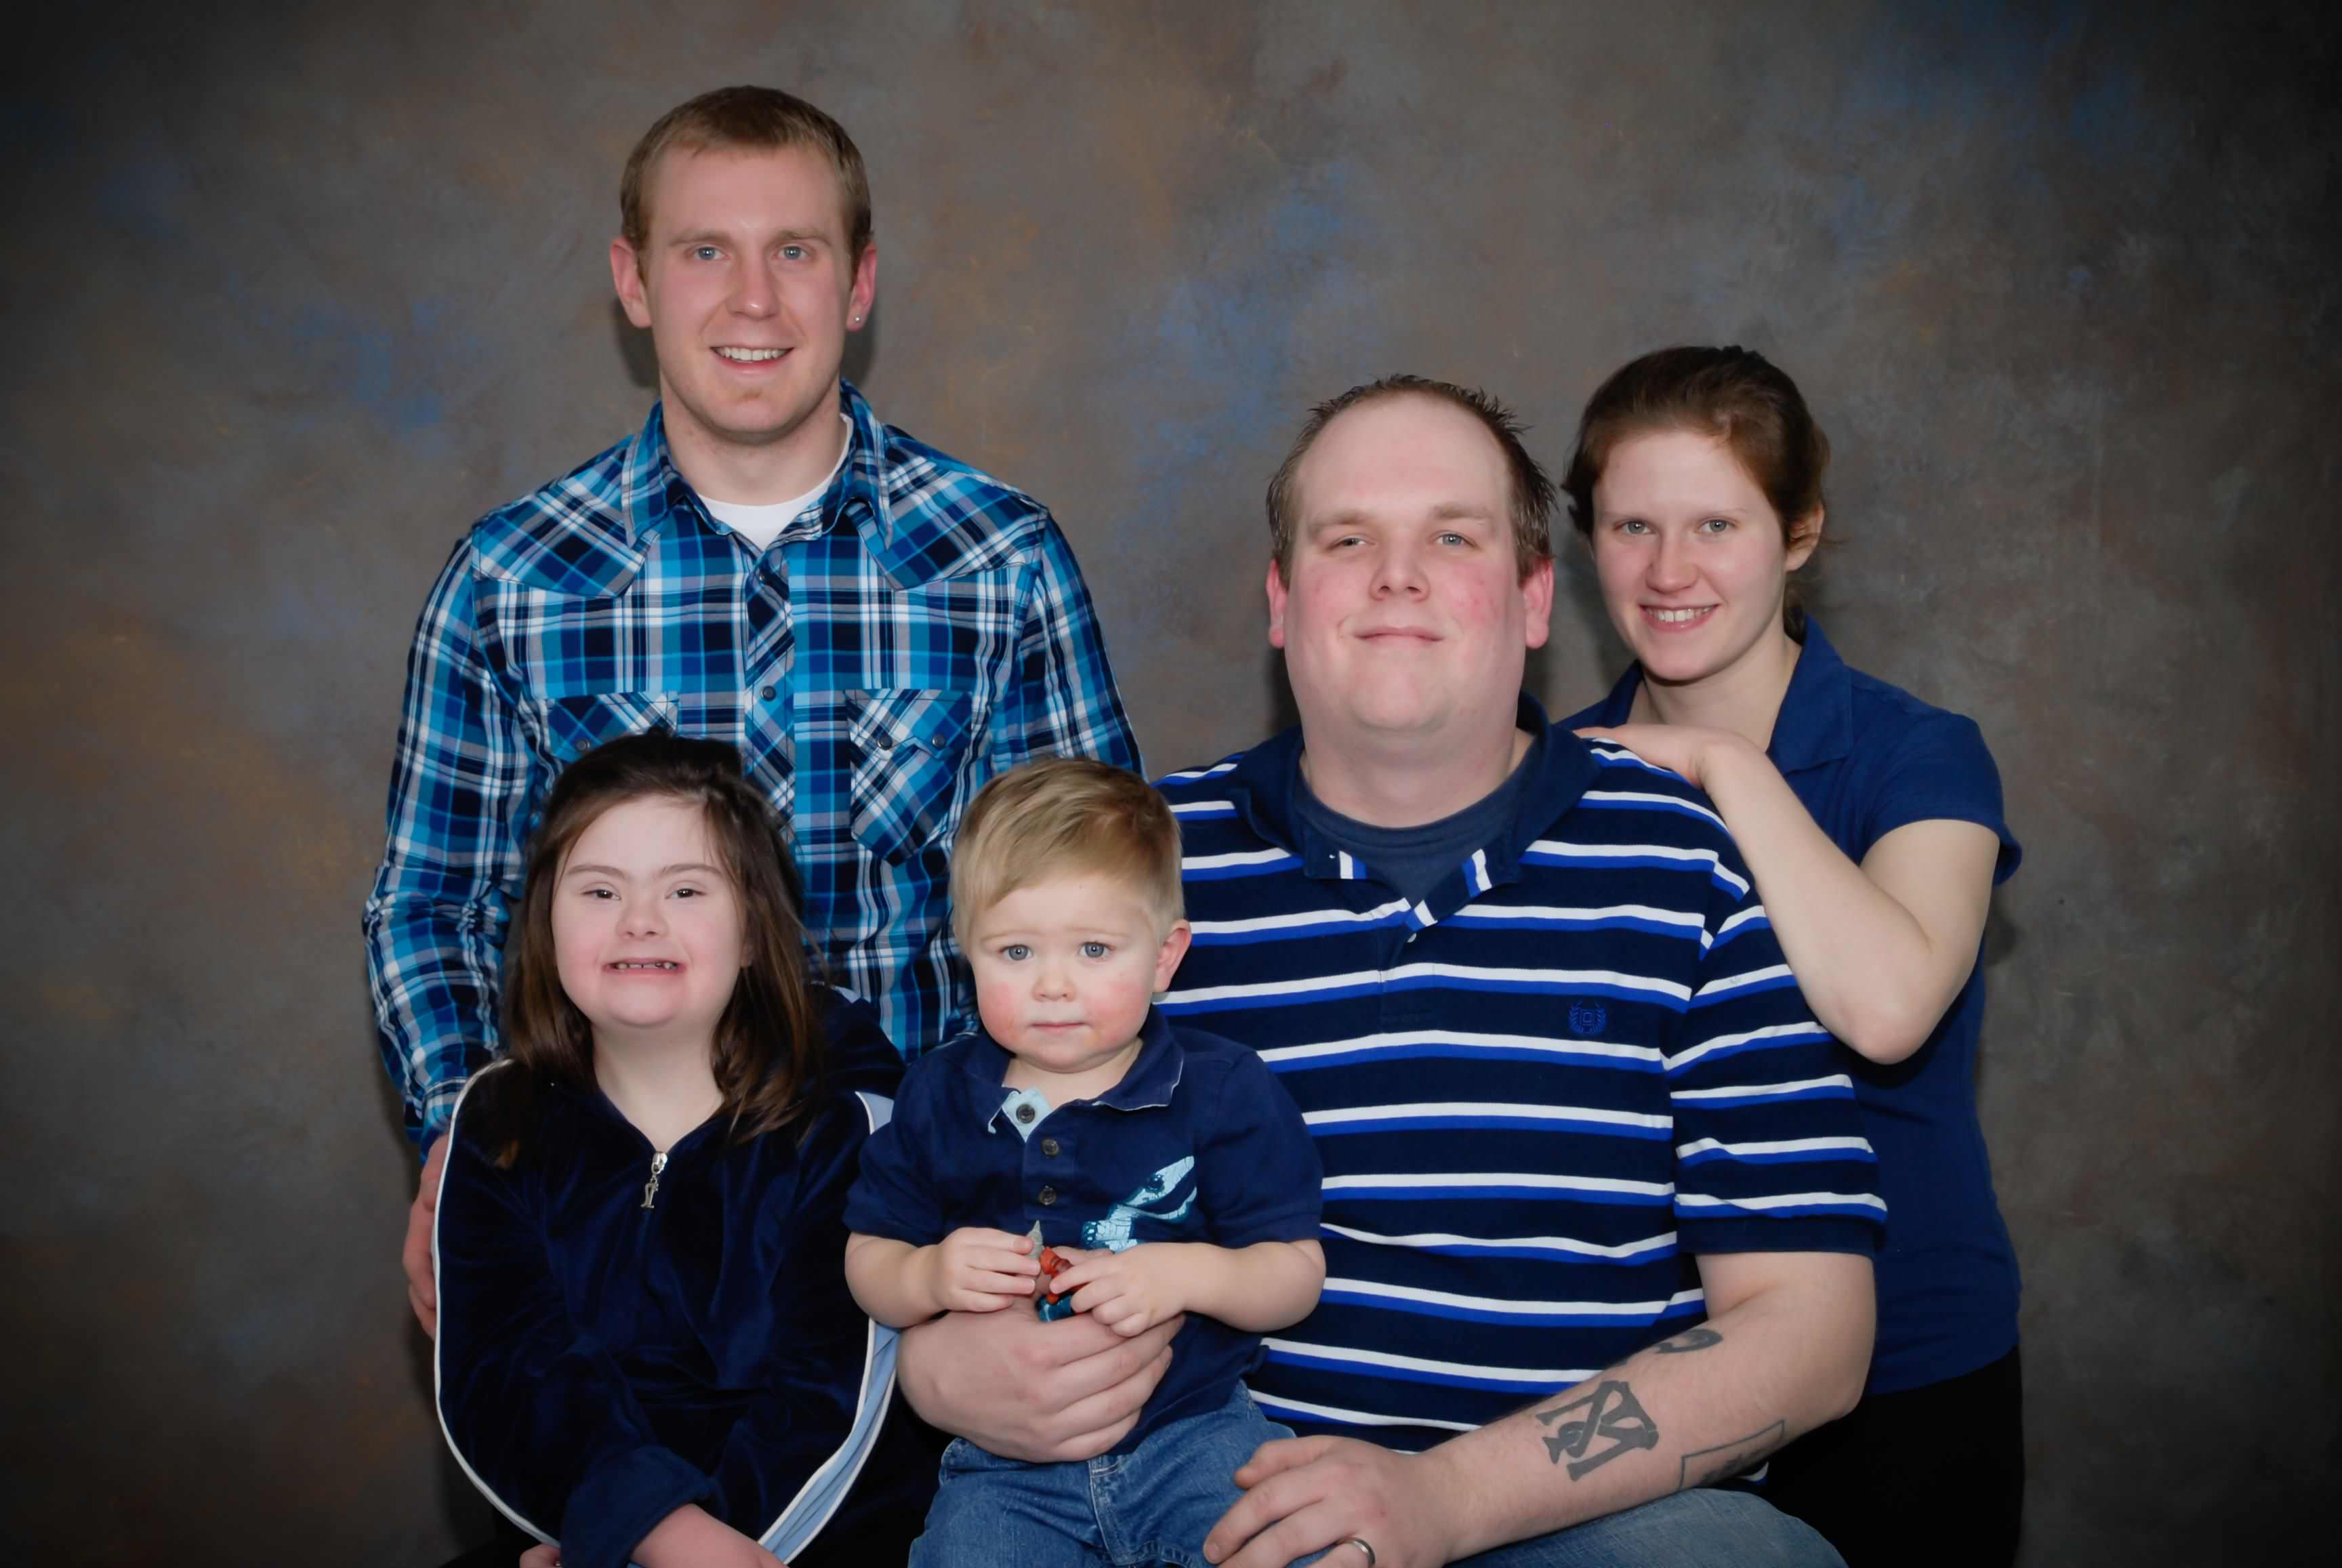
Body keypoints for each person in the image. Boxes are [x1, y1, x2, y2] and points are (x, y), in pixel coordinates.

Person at [890, 376, 1886, 1567]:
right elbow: (953, 1184)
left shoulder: (1681, 863)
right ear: (1281, 599)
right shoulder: (1137, 872)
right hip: (1214, 1504)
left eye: (1452, 538)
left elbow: (1812, 1332)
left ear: (1532, 598)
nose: (1396, 576)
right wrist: (938, 1365)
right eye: (1348, 539)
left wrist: (1449, 1497)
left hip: (1578, 1519)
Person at [366, 85, 1138, 1337]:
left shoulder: (999, 561)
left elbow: (1097, 901)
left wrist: (1078, 1192)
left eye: (795, 251)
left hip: (940, 1237)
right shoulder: (512, 582)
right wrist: (467, 1137)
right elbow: (435, 906)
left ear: (860, 282)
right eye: (704, 252)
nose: (753, 300)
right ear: (633, 282)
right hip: (615, 1235)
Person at [1557, 346, 2024, 1565]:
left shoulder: (1917, 753)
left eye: (1717, 523)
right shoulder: (1551, 773)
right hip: (1642, 1379)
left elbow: (1886, 1005)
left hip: (1909, 1371)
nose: (1669, 570)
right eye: (1633, 525)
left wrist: (1724, 765)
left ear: (1799, 531)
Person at [432, 730, 934, 1568]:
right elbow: (509, 1373)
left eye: (687, 889)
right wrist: (646, 1532)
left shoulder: (848, 1126)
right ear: (546, 924)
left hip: (807, 1534)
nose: (640, 920)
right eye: (600, 890)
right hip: (586, 1534)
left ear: (753, 931)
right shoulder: (496, 1125)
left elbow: (828, 1393)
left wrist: (713, 1548)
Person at [842, 758, 1328, 1567]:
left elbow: (1295, 1274)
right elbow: (869, 1259)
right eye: (1016, 951)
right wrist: (927, 1275)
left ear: (1165, 956)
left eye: (1094, 948)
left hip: (1196, 1437)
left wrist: (1184, 1274)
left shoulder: (1221, 1090)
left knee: (1291, 1548)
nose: (1054, 985)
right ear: (967, 951)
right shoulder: (938, 1095)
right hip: (1004, 1467)